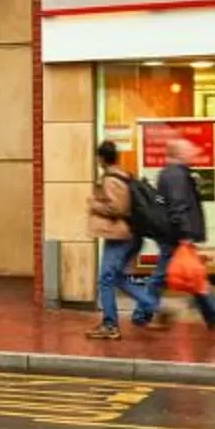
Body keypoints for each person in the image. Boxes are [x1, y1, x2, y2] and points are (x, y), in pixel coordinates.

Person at [132, 133, 215, 330]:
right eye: (188, 150)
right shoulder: (175, 174)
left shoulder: (176, 172)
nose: (193, 153)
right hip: (175, 235)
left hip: (174, 233)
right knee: (164, 276)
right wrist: (184, 234)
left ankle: (213, 315)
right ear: (179, 154)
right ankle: (142, 313)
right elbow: (178, 205)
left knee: (193, 273)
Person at [88, 138, 152, 339]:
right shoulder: (124, 175)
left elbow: (118, 208)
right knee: (115, 278)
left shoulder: (111, 179)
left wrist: (94, 204)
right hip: (127, 235)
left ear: (100, 158)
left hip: (119, 236)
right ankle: (150, 303)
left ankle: (110, 324)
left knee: (105, 279)